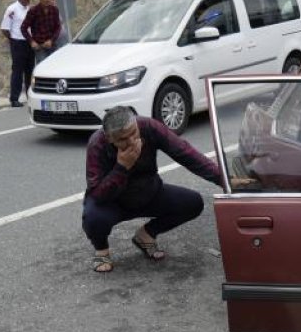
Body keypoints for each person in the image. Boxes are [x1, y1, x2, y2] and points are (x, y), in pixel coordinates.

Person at [82, 107, 224, 273]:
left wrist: (224, 180)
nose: (131, 141)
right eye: (123, 139)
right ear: (110, 138)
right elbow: (98, 194)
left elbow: (186, 153)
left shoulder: (148, 127)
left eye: (133, 133)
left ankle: (146, 235)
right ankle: (101, 250)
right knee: (93, 217)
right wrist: (122, 167)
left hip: (149, 192)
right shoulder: (97, 143)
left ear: (136, 124)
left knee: (193, 203)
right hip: (113, 202)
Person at [0, 0, 33, 108]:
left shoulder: (30, 9)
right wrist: (13, 40)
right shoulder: (12, 9)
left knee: (30, 71)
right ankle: (14, 98)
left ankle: (31, 96)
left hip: (29, 42)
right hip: (18, 43)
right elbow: (4, 28)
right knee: (17, 72)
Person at [22, 0, 62, 65]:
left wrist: (51, 40)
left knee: (55, 67)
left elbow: (58, 27)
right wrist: (32, 42)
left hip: (52, 45)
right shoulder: (33, 11)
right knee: (43, 67)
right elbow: (23, 28)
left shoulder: (54, 10)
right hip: (39, 47)